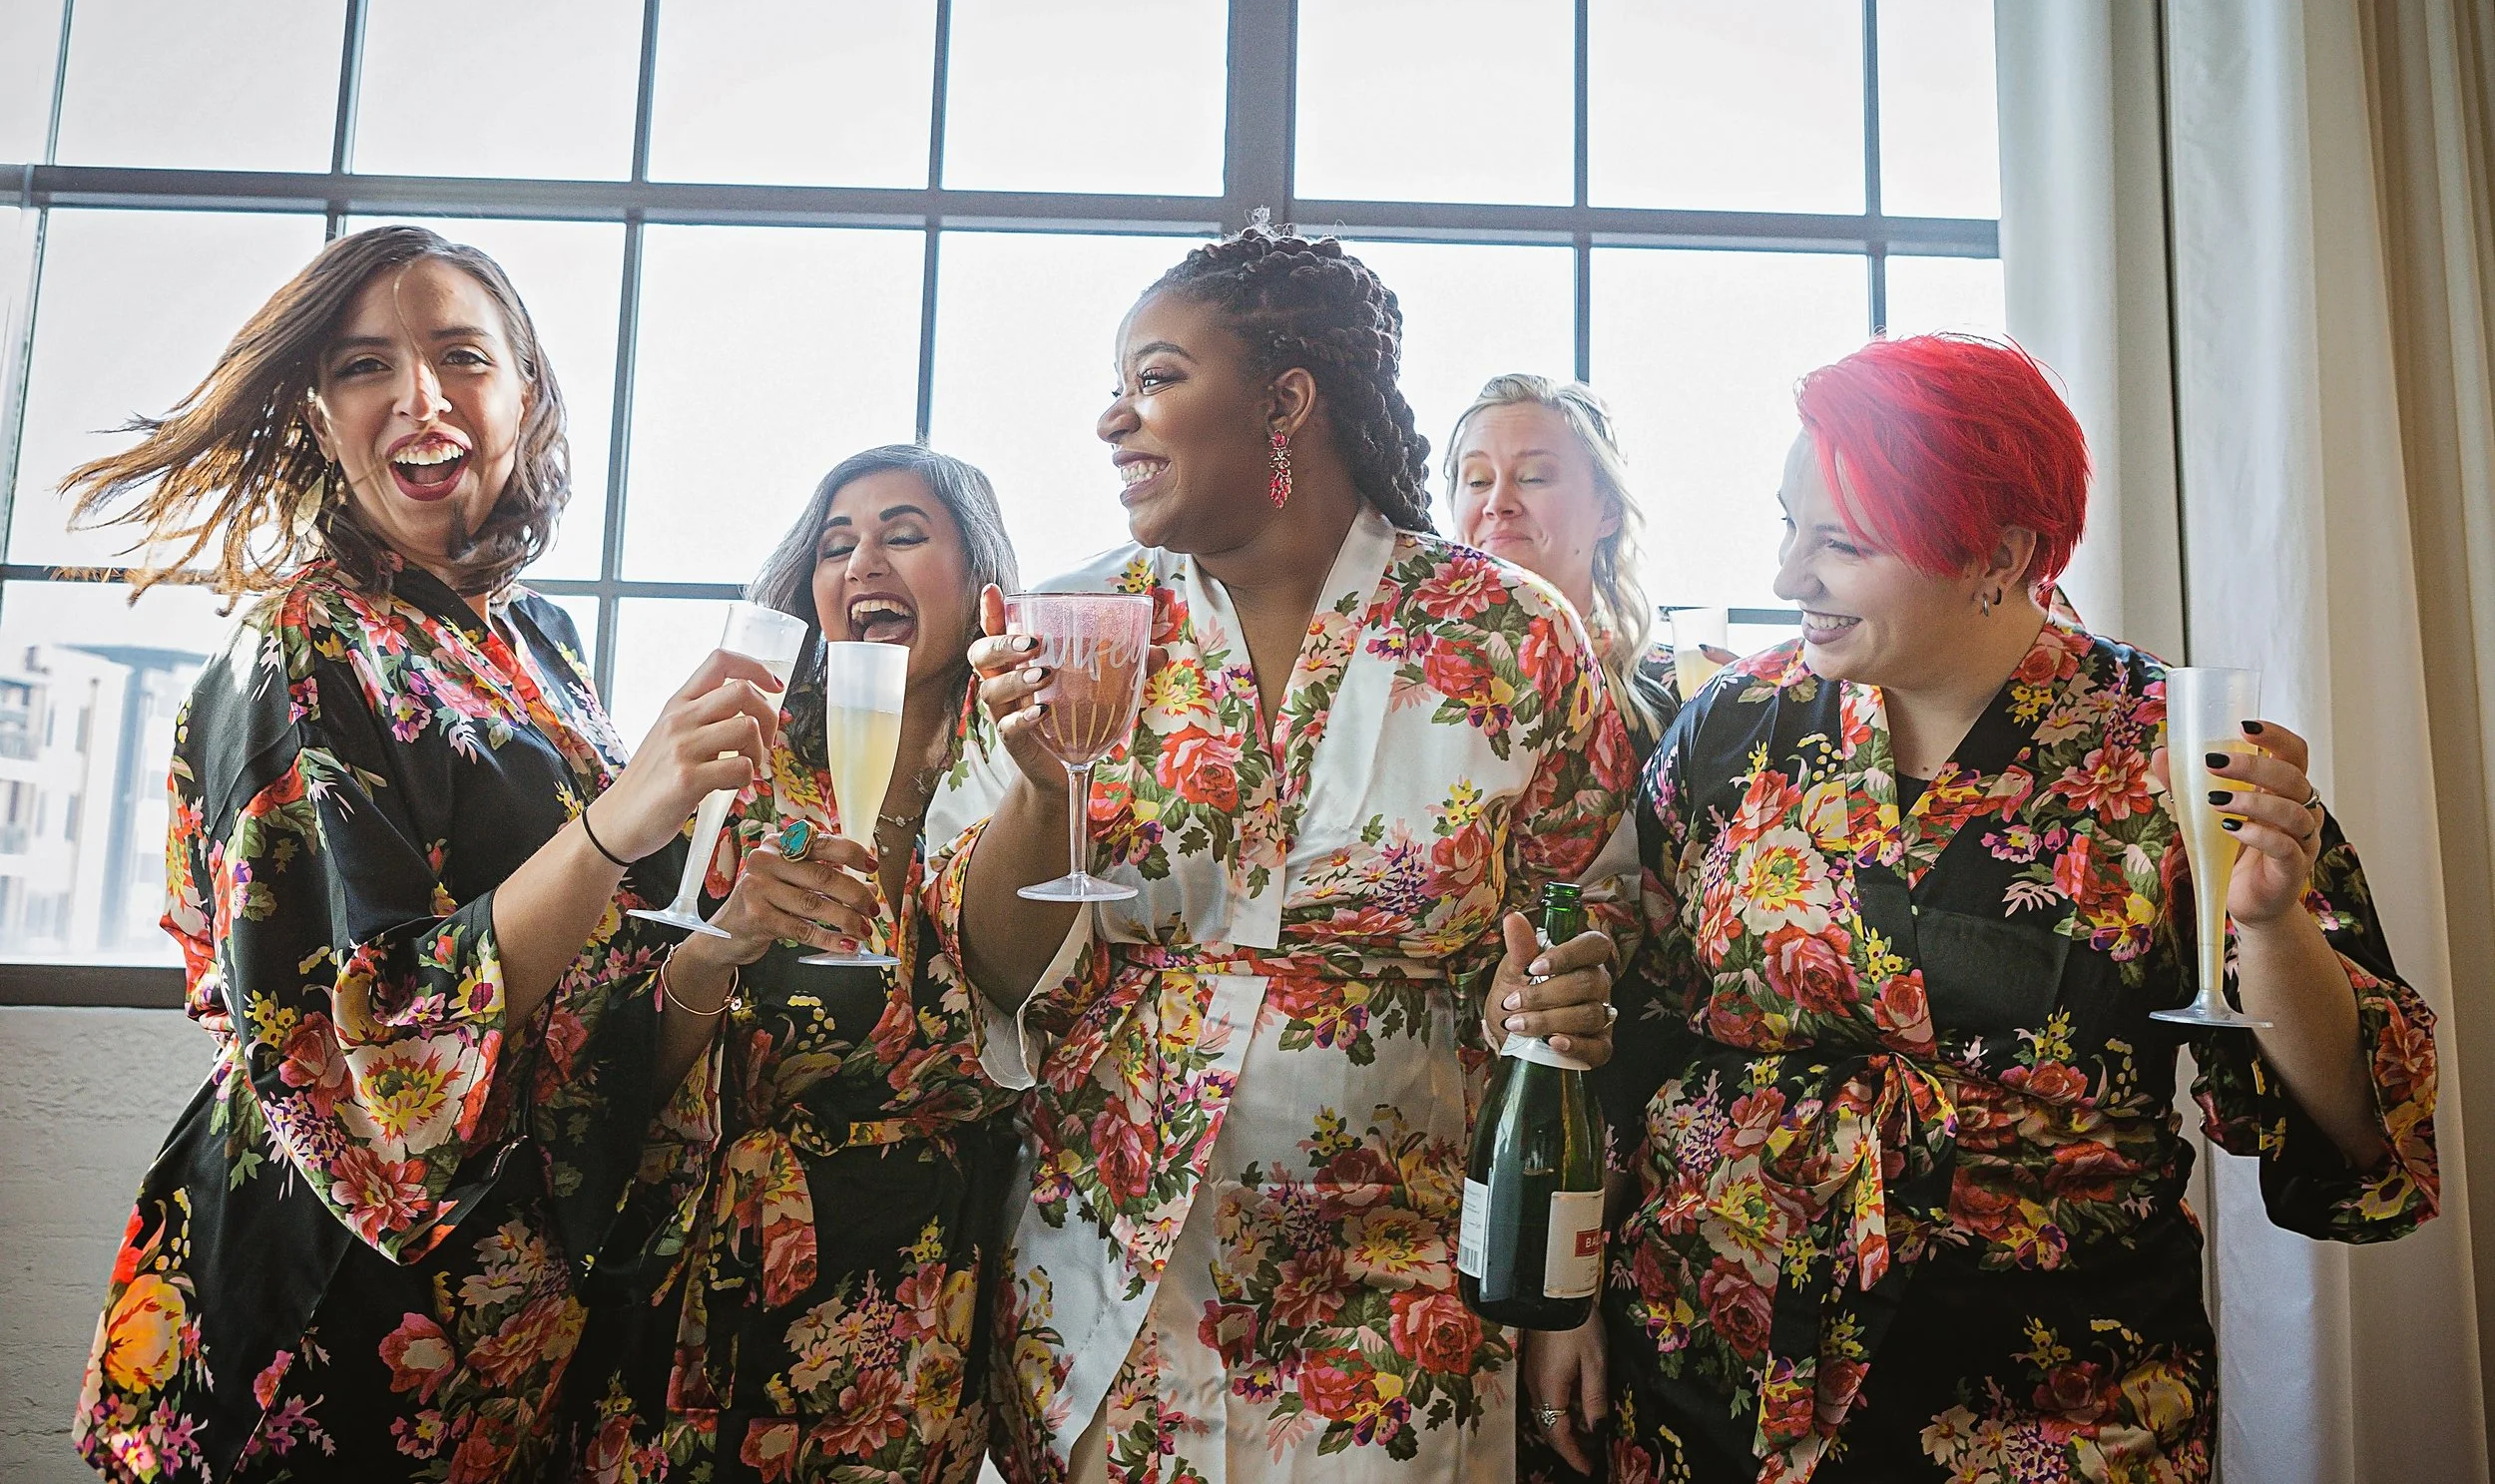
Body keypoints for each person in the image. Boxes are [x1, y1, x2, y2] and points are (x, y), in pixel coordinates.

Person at [1596, 334, 2440, 1482]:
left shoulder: (2169, 751)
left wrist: (2269, 921)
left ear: (1997, 554)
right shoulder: (1735, 721)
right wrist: (1564, 1304)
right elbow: (1630, 1019)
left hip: (2047, 1397)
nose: (1790, 575)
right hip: (1708, 1364)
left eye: (1841, 543)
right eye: (1789, 526)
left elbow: (2357, 1123)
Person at [65, 227, 784, 1481]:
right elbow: (362, 1038)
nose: (420, 397)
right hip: (323, 1318)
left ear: (527, 394)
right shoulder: (297, 647)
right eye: (365, 366)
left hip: (507, 1332)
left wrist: (725, 927)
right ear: (317, 412)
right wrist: (620, 818)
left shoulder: (535, 636)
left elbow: (594, 972)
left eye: (463, 356)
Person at [939, 225, 1642, 1484]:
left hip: (1400, 1290)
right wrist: (1043, 791)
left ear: (1286, 400)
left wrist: (1550, 989)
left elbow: (1592, 922)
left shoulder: (1508, 635)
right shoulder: (1068, 624)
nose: (1112, 417)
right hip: (1112, 1274)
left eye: (1155, 377)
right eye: (1116, 384)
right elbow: (987, 968)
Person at [560, 446, 1029, 1483]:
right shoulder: (742, 768)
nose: (863, 562)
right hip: (715, 1283)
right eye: (835, 544)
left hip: (921, 1305)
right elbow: (615, 1061)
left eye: (904, 534)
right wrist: (721, 944)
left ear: (982, 581)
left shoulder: (1032, 776)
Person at [1446, 373, 1682, 759]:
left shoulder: (1680, 696)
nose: (1497, 503)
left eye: (1533, 477)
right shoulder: (1408, 680)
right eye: (1478, 481)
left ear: (1608, 512)